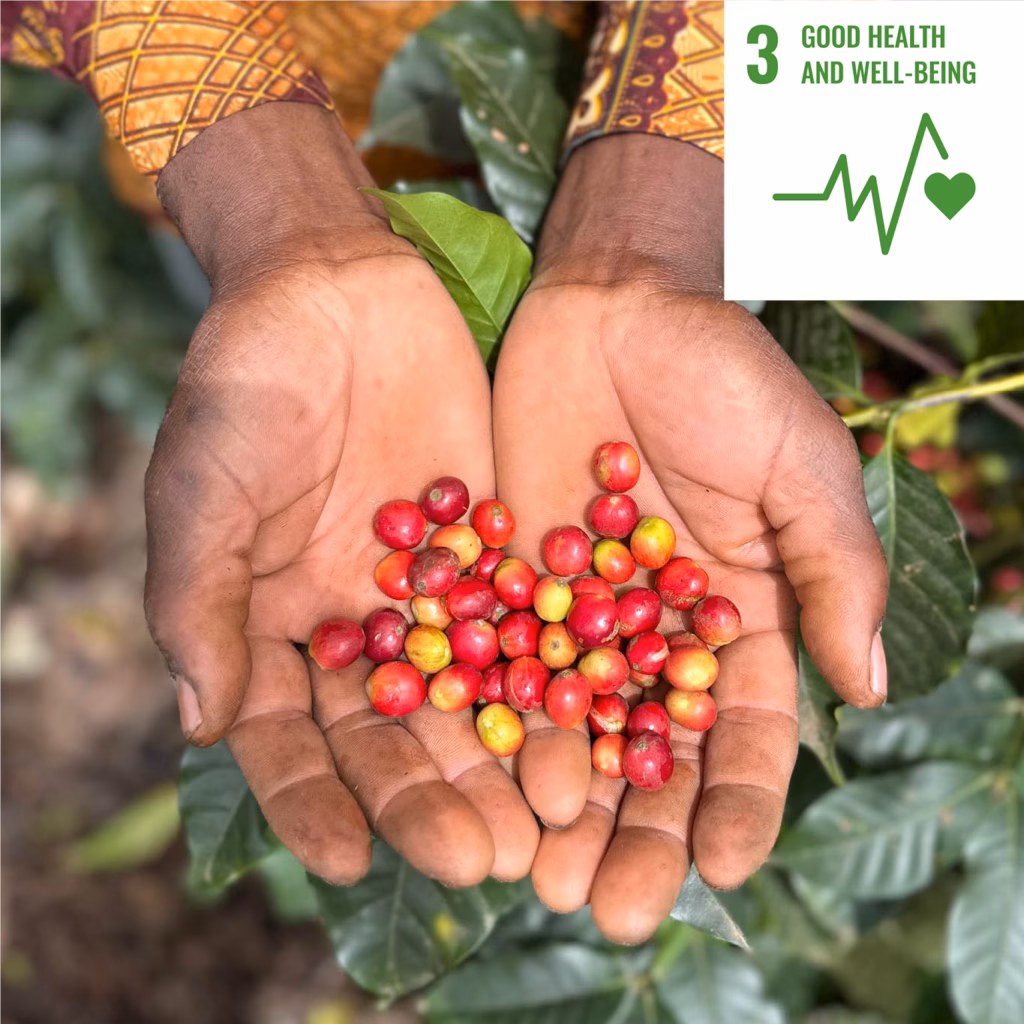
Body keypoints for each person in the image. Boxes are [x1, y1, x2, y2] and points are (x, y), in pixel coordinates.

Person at [2, 0, 888, 945]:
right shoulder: (490, 601)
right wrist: (267, 202)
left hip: (690, 174)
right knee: (214, 325)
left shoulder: (511, 604)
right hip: (227, 172)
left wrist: (657, 223)